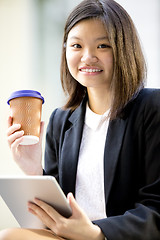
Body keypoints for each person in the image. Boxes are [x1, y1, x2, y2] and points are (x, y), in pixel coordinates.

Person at [0, 0, 160, 239]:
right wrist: (33, 170)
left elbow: (156, 207)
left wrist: (97, 233)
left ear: (124, 49)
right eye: (76, 45)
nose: (87, 57)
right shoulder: (61, 120)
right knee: (10, 235)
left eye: (103, 45)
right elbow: (58, 211)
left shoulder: (152, 108)